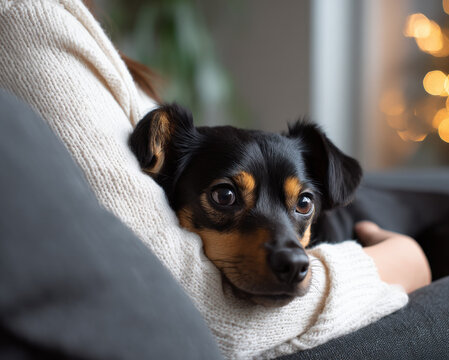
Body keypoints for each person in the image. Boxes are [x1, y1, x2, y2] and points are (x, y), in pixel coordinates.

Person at [0, 0, 427, 357]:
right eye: (225, 197)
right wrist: (403, 262)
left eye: (301, 206)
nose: (293, 256)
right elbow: (194, 312)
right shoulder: (23, 20)